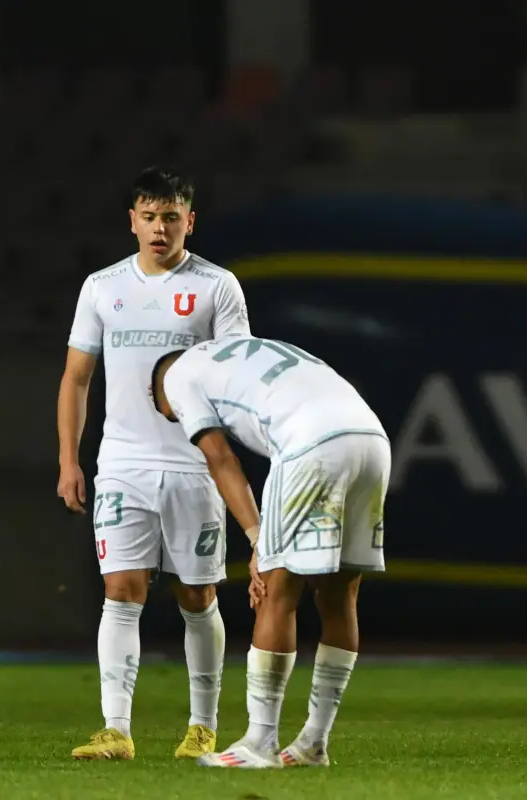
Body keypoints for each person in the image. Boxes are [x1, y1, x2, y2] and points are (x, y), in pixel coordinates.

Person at [57, 166, 251, 760]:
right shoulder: (102, 287)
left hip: (195, 466)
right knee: (122, 590)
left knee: (197, 597)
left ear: (189, 221)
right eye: (149, 216)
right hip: (122, 463)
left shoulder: (219, 288)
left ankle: (202, 726)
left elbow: (238, 373)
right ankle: (116, 729)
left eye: (171, 216)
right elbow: (76, 377)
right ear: (132, 221)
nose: (159, 227)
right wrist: (70, 459)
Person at [150, 335, 390, 768]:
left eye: (170, 418)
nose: (177, 423)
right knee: (339, 595)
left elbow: (221, 459)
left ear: (158, 392)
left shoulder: (179, 376)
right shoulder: (245, 351)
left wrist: (258, 538)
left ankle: (260, 742)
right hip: (372, 439)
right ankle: (314, 742)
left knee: (279, 590)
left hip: (310, 444)